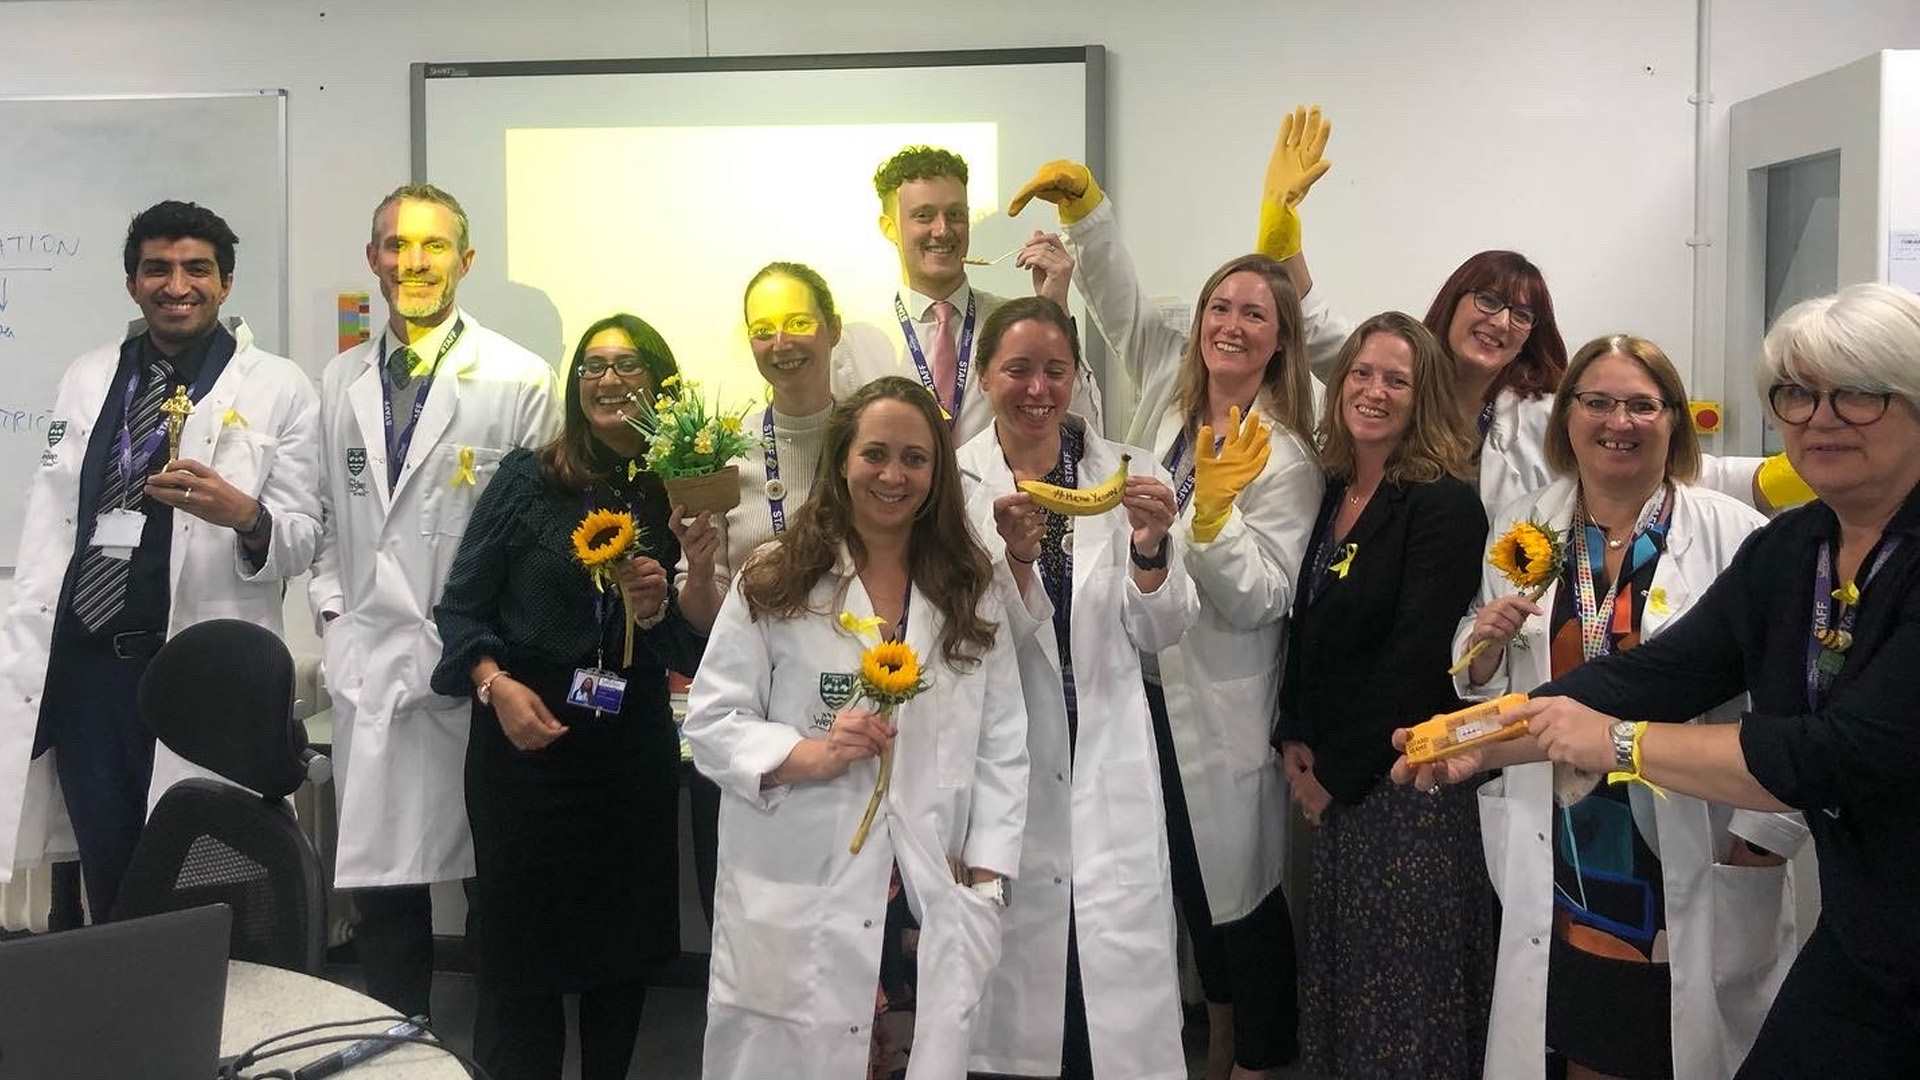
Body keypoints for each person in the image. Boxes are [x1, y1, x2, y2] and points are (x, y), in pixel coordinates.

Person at [1396, 283, 1920, 1077]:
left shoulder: (1765, 533)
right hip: (1865, 931)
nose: (1819, 419)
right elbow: (1667, 671)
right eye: (1798, 394)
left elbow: (1840, 752)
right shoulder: (1795, 551)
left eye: (1856, 395)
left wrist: (1618, 744)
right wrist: (1480, 740)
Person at [1022, 156, 1323, 1077]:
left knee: (1245, 900)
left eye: (1254, 316)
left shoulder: (1289, 457)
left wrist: (1218, 519)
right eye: (1218, 309)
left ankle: (1260, 1056)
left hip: (1219, 703)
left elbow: (1266, 595)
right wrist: (1091, 215)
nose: (1231, 325)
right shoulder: (1168, 404)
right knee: (1189, 887)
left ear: (1279, 342)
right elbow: (1117, 305)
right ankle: (1221, 1036)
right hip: (1143, 690)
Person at [1453, 334, 1804, 1079]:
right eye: (1599, 402)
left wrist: (1763, 836)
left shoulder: (1733, 534)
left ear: (1673, 420)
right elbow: (1494, 675)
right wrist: (1478, 648)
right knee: (1581, 1041)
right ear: (1568, 418)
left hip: (1690, 836)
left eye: (1643, 404)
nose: (1620, 421)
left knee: (1677, 1047)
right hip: (1567, 848)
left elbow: (1794, 700)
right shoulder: (1526, 526)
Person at [685, 377, 1028, 1080]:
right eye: (875, 454)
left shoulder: (969, 582)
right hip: (803, 877)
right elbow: (712, 719)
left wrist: (988, 884)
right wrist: (805, 755)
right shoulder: (775, 577)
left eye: (914, 458)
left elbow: (1003, 741)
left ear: (937, 473)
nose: (894, 475)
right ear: (843, 459)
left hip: (928, 895)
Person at [0, 200, 322, 920]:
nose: (176, 285)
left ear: (226, 283)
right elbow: (54, 514)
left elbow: (303, 537)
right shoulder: (89, 376)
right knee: (110, 874)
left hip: (193, 671)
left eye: (196, 269)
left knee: (208, 883)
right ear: (132, 283)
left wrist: (244, 516)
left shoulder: (278, 386)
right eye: (157, 269)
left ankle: (214, 1027)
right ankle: (126, 1025)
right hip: (89, 676)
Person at [430, 313, 704, 1080]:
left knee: (621, 952)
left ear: (661, 381)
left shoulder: (680, 487)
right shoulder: (529, 478)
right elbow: (461, 608)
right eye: (592, 365)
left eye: (627, 364)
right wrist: (493, 685)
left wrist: (658, 609)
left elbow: (694, 649)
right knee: (519, 956)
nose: (608, 379)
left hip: (629, 744)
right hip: (524, 740)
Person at [309, 183, 559, 1019]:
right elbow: (320, 523)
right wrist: (335, 617)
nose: (413, 263)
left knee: (493, 882)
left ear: (466, 260)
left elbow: (538, 541)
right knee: (385, 891)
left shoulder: (519, 379)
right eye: (395, 245)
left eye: (433, 246)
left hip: (476, 672)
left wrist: (487, 655)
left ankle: (497, 1055)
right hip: (370, 667)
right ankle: (392, 1046)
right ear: (373, 259)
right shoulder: (340, 378)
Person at [956, 297, 1198, 1080]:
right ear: (986, 376)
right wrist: (1014, 564)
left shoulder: (1130, 473)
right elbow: (954, 635)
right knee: (1016, 1004)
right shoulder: (955, 486)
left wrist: (1153, 550)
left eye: (1055, 370)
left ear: (1076, 379)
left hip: (1105, 756)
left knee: (1106, 1006)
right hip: (1003, 759)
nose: (1037, 388)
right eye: (1018, 369)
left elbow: (1160, 630)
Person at [1275, 312, 1491, 1079]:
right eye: (1361, 374)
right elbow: (1307, 620)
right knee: (1350, 981)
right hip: (1337, 777)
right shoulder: (1334, 487)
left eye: (1395, 379)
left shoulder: (1442, 502)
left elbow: (1416, 657)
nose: (1373, 391)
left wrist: (1336, 774)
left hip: (1404, 783)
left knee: (1404, 993)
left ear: (1422, 394)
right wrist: (1295, 733)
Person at [671, 261, 840, 926]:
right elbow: (702, 619)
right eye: (762, 328)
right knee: (750, 924)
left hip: (847, 710)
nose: (782, 342)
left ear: (832, 328)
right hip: (751, 715)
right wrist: (704, 570)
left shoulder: (872, 444)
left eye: (799, 322)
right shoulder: (720, 455)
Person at [832, 145, 1103, 445]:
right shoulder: (854, 342)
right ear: (889, 228)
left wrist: (1055, 312)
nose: (943, 230)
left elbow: (1086, 430)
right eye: (923, 216)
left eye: (955, 214)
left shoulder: (1015, 328)